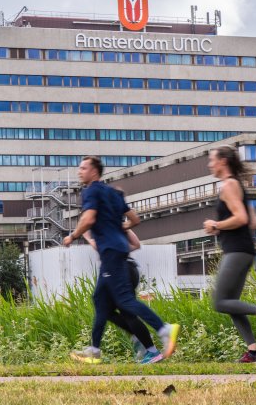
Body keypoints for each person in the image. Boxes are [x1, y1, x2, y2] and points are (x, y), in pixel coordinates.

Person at [64, 156, 180, 364]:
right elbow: (134, 219)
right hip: (117, 251)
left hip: (111, 252)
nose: (79, 171)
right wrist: (118, 229)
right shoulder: (113, 193)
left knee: (125, 301)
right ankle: (94, 350)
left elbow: (88, 219)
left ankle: (164, 329)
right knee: (100, 299)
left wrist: (72, 236)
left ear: (94, 171)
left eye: (83, 168)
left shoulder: (91, 190)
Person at [202, 145, 256, 363]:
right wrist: (226, 228)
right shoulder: (237, 185)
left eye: (212, 160)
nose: (210, 164)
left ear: (223, 161)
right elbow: (253, 221)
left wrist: (216, 224)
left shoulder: (229, 185)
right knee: (231, 303)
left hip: (236, 250)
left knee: (220, 302)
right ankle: (254, 352)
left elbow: (242, 218)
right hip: (242, 249)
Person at [83, 228, 160, 363]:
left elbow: (101, 247)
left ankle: (151, 348)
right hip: (130, 268)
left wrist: (88, 237)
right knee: (110, 311)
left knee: (106, 307)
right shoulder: (117, 224)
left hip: (117, 271)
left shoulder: (103, 223)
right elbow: (136, 244)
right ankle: (146, 345)